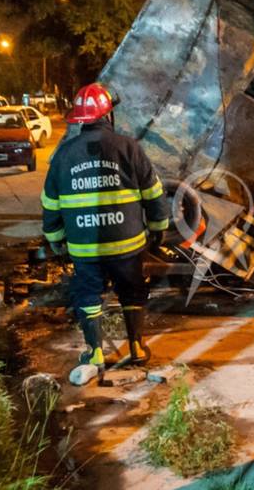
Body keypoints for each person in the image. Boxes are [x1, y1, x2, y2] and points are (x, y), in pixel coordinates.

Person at [42, 82, 170, 372]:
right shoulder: (129, 147)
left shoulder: (63, 155)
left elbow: (50, 204)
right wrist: (158, 228)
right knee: (132, 290)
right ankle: (136, 348)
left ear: (80, 120)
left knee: (87, 294)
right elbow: (154, 193)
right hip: (127, 245)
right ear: (108, 115)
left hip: (85, 247)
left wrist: (55, 239)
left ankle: (95, 353)